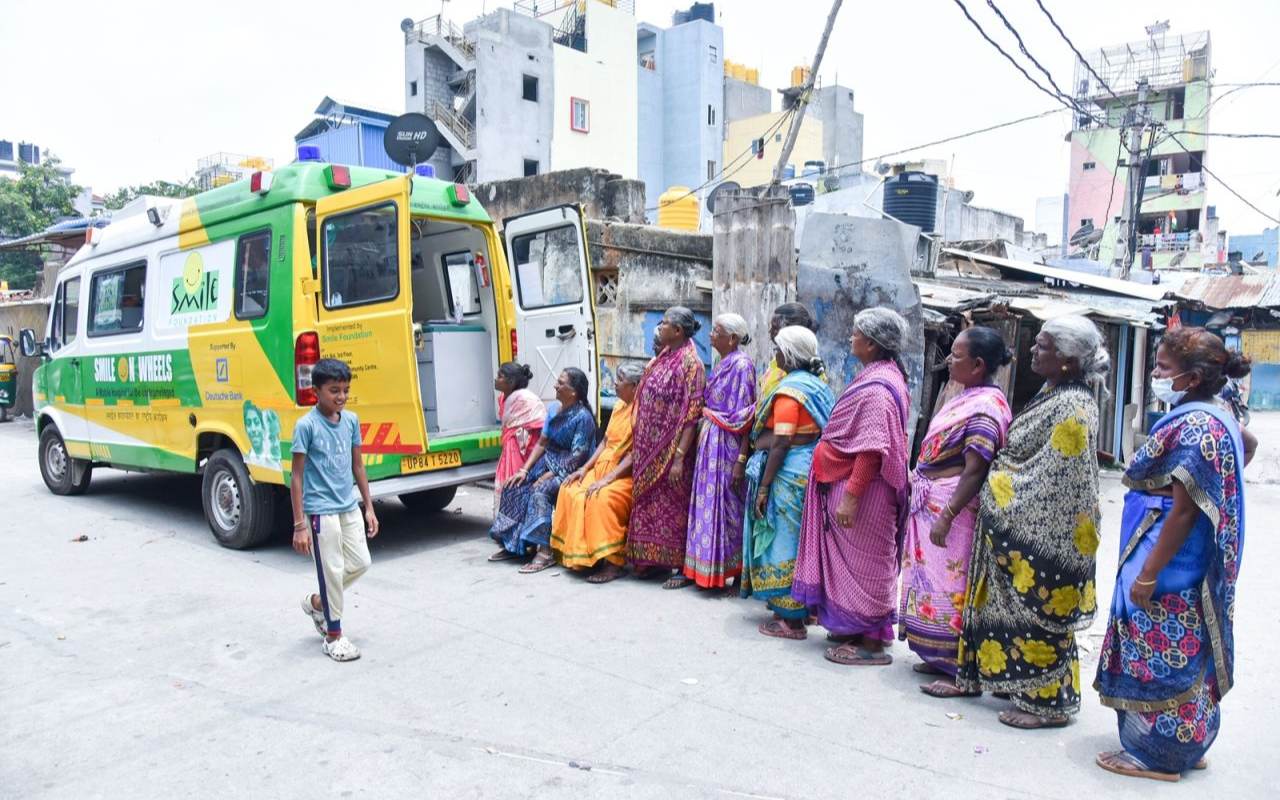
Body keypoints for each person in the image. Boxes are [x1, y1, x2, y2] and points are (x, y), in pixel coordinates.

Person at [1095, 328, 1257, 782]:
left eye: (1163, 368)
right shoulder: (1216, 414)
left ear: (1190, 377)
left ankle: (1156, 755)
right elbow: (1249, 446)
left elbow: (1183, 514)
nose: (1155, 375)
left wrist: (1148, 574)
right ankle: (1188, 746)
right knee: (1191, 654)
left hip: (1172, 565)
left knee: (1161, 652)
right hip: (1187, 562)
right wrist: (1216, 490)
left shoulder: (1195, 426)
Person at [951, 316, 1105, 728]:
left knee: (1039, 617)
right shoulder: (1053, 392)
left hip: (1047, 535)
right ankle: (1014, 683)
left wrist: (1002, 491)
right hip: (1018, 523)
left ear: (1069, 359)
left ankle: (1048, 704)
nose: (1032, 351)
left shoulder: (1073, 406)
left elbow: (1059, 482)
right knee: (1011, 614)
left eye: (1044, 346)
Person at [792, 308, 911, 662]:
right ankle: (860, 630)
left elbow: (872, 448)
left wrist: (851, 498)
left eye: (856, 333)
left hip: (865, 493)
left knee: (867, 565)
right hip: (850, 486)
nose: (850, 338)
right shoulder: (876, 376)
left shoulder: (878, 389)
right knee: (857, 564)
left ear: (872, 344)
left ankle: (872, 643)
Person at [905, 328, 1014, 693]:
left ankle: (958, 668)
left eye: (956, 354)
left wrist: (948, 514)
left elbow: (976, 468)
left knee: (953, 584)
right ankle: (936, 654)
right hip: (932, 502)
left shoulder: (986, 406)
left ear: (979, 364)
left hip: (954, 508)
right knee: (930, 581)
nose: (949, 360)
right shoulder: (967, 396)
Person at [742, 325, 835, 637]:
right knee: (804, 540)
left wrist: (765, 486)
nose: (776, 354)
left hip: (789, 472)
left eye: (779, 349)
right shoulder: (819, 386)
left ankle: (790, 619)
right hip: (811, 467)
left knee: (783, 541)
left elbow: (781, 442)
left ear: (791, 354)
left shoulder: (790, 392)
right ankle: (804, 608)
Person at [291, 358, 379, 663]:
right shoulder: (306, 426)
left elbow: (358, 465)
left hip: (347, 505)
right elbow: (297, 476)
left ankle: (318, 602)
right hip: (319, 512)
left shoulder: (351, 421)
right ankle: (333, 636)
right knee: (332, 570)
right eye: (333, 390)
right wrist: (299, 524)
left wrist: (369, 506)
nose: (340, 396)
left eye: (345, 390)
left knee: (361, 562)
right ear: (316, 391)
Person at [627, 306, 707, 586]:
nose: (659, 327)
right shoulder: (664, 355)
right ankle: (650, 561)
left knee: (672, 508)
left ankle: (677, 566)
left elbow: (692, 414)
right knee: (648, 506)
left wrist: (678, 458)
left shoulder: (691, 364)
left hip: (672, 453)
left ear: (677, 331)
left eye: (664, 324)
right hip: (647, 450)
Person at [489, 368, 596, 573]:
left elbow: (578, 456)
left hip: (571, 470)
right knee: (514, 485)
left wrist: (552, 474)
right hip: (549, 461)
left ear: (573, 392)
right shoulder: (554, 408)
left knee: (540, 492)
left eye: (561, 383)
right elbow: (542, 443)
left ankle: (545, 552)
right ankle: (516, 546)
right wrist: (524, 470)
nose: (555, 385)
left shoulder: (583, 418)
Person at [680, 313, 758, 590]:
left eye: (717, 331)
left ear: (733, 338)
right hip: (710, 444)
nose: (711, 335)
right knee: (708, 504)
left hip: (728, 446)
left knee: (729, 508)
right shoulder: (722, 363)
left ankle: (734, 573)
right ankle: (706, 570)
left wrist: (741, 459)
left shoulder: (742, 366)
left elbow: (747, 414)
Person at [551, 362, 645, 583]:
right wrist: (584, 469)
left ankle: (614, 563)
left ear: (634, 386)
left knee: (600, 498)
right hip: (601, 466)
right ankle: (582, 558)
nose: (614, 383)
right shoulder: (619, 406)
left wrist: (607, 480)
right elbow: (604, 441)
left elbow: (634, 455)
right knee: (570, 488)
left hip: (623, 474)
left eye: (619, 380)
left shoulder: (641, 411)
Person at [493, 362, 546, 507]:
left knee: (516, 486)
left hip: (523, 450)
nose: (496, 379)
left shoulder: (526, 400)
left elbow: (541, 426)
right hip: (509, 448)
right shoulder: (503, 398)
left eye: (500, 376)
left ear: (511, 382)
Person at [759, 303, 816, 399]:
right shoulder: (778, 361)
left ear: (790, 331)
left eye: (775, 328)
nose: (770, 331)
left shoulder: (795, 367)